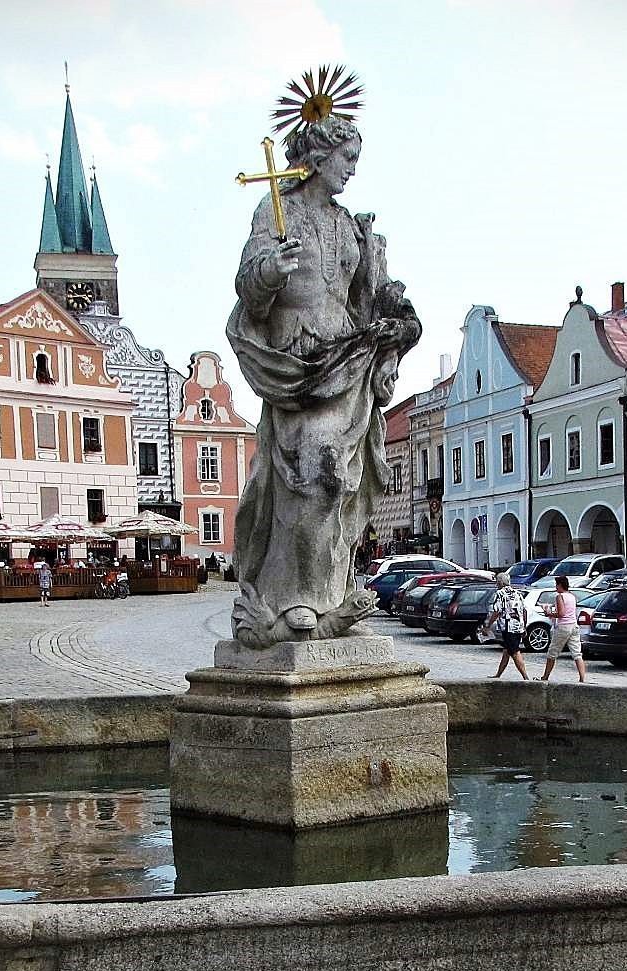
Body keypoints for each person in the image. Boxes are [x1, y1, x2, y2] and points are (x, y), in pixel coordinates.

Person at [225, 108, 421, 644]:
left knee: (337, 485)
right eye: (347, 158)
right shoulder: (276, 211)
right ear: (318, 156)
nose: (353, 170)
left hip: (347, 360)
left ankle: (324, 592)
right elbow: (248, 286)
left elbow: (370, 298)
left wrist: (389, 344)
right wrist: (268, 273)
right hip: (298, 367)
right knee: (313, 472)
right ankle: (293, 598)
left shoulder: (348, 226)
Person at [539, 576, 586, 683]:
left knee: (552, 652)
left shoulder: (559, 596)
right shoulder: (572, 596)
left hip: (563, 627)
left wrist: (549, 613)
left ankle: (545, 676)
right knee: (577, 653)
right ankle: (582, 678)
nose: (555, 587)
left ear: (560, 585)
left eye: (556, 585)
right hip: (574, 625)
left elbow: (561, 613)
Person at [490, 584, 530, 680]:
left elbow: (497, 611)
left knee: (514, 651)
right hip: (518, 626)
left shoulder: (500, 593)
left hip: (508, 627)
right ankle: (498, 674)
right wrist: (524, 626)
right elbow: (524, 610)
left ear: (499, 583)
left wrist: (488, 624)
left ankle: (526, 677)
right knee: (507, 651)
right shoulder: (518, 593)